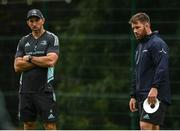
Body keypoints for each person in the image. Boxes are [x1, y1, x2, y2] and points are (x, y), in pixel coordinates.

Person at [14, 9, 59, 130]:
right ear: (28, 23)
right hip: (26, 90)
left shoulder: (51, 38)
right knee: (28, 124)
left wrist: (29, 58)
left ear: (43, 20)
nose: (34, 23)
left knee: (50, 126)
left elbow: (51, 61)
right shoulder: (23, 41)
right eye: (31, 21)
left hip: (45, 90)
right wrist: (39, 60)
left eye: (37, 20)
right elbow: (17, 66)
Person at [128, 12, 171, 130]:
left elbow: (162, 67)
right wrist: (133, 95)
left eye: (137, 27)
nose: (135, 31)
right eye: (133, 28)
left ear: (147, 25)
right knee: (153, 128)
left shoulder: (157, 43)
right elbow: (136, 72)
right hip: (142, 96)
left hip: (155, 94)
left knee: (145, 126)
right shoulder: (139, 47)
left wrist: (155, 87)